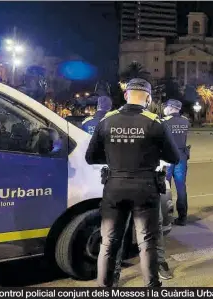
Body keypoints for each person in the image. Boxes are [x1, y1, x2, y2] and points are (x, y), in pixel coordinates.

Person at [85, 78, 180, 287]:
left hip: (114, 186)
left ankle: (105, 287)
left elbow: (90, 157)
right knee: (147, 243)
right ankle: (152, 287)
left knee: (109, 243)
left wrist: (113, 159)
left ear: (126, 95)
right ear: (148, 98)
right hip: (145, 188)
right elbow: (175, 158)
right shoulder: (154, 121)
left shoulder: (107, 120)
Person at [161, 99, 191, 226]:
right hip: (181, 157)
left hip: (168, 158)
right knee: (181, 187)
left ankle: (163, 218)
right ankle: (182, 217)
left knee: (164, 187)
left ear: (171, 108)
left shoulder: (164, 122)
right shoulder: (185, 121)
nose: (165, 109)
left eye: (166, 106)